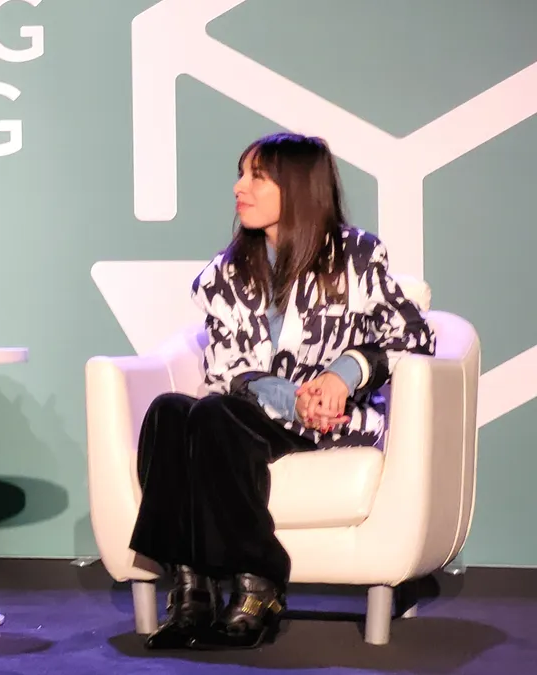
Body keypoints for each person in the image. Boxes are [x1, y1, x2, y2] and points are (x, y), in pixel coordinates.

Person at [128, 132, 435, 651]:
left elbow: (414, 337)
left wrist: (343, 374)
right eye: (241, 174)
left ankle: (259, 581)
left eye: (256, 176)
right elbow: (227, 367)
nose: (238, 188)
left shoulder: (355, 256)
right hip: (255, 413)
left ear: (295, 188)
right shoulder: (227, 273)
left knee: (211, 417)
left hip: (331, 422)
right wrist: (290, 396)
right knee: (168, 412)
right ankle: (191, 589)